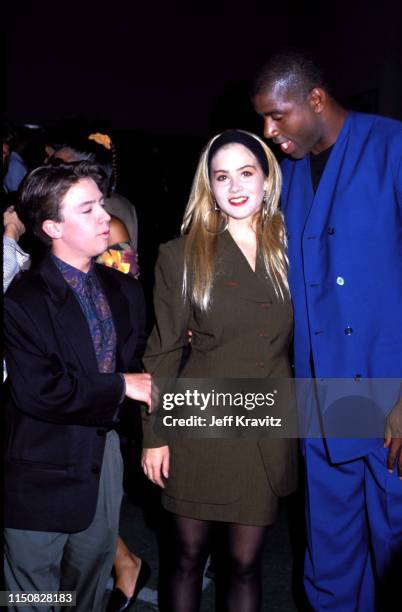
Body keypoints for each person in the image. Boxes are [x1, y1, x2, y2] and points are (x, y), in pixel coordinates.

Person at [253, 48, 402, 611]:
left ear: (314, 99)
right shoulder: (289, 175)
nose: (269, 131)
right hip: (323, 393)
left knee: (394, 541)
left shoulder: (393, 148)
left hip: (390, 390)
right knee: (331, 548)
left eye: (276, 116)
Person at [141, 130, 298, 612]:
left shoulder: (297, 248)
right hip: (200, 423)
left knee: (247, 564)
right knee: (187, 556)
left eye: (246, 173)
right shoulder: (181, 254)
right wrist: (155, 434)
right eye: (222, 176)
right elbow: (163, 350)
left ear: (267, 177)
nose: (234, 186)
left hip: (264, 426)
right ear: (208, 185)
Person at [3, 161, 156, 611]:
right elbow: (39, 390)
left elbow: (144, 361)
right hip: (37, 462)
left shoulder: (123, 291)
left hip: (101, 459)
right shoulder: (23, 298)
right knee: (31, 595)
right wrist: (118, 386)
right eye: (87, 209)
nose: (104, 217)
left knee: (86, 588)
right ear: (52, 226)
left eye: (102, 204)